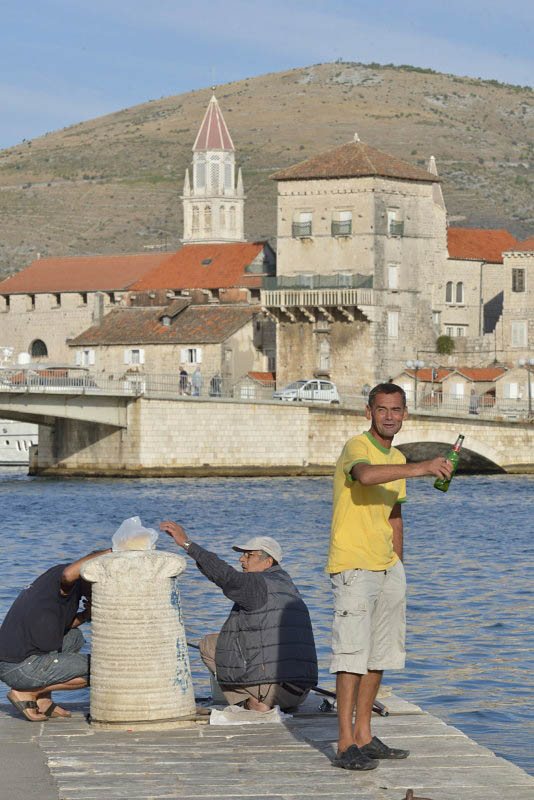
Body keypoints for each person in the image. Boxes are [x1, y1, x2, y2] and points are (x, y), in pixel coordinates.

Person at [326, 382, 453, 771]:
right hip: (353, 565)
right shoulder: (357, 448)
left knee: (380, 655)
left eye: (396, 410)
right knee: (351, 656)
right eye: (382, 409)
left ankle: (364, 735)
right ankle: (345, 743)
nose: (389, 416)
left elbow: (394, 515)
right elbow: (364, 477)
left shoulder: (395, 456)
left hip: (387, 567)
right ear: (369, 412)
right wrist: (423, 466)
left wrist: (399, 563)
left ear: (404, 414)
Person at [159, 522, 318, 711]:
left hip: (272, 691)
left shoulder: (258, 584)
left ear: (268, 562)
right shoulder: (288, 586)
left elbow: (225, 576)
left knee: (208, 644)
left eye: (248, 555)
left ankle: (254, 701)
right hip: (300, 691)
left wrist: (188, 544)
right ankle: (260, 696)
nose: (242, 559)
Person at [0, 549, 109, 721]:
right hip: (20, 668)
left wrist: (86, 615)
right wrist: (113, 550)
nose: (101, 588)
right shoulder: (66, 580)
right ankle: (28, 692)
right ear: (87, 573)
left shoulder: (57, 584)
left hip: (15, 660)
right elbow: (68, 574)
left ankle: (43, 701)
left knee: (74, 637)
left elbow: (60, 626)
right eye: (99, 582)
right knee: (105, 668)